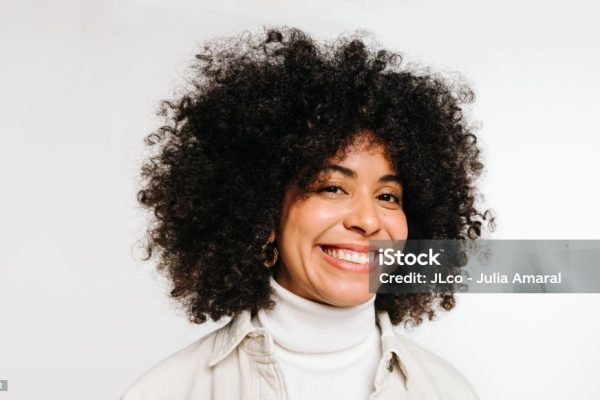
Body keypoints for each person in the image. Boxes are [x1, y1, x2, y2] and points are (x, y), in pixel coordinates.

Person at [123, 27, 491, 400]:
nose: (366, 220)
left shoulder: (448, 391)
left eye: (387, 195)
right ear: (264, 216)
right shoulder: (168, 391)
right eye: (332, 188)